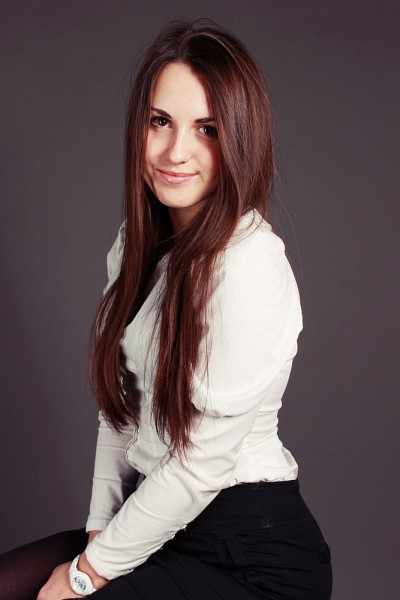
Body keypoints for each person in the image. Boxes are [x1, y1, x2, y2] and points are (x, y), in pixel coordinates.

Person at [0, 20, 332, 600]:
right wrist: (99, 531)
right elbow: (121, 411)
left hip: (251, 557)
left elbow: (200, 467)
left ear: (240, 139)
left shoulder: (250, 265)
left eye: (207, 129)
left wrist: (87, 573)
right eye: (160, 121)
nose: (176, 152)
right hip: (153, 524)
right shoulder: (137, 244)